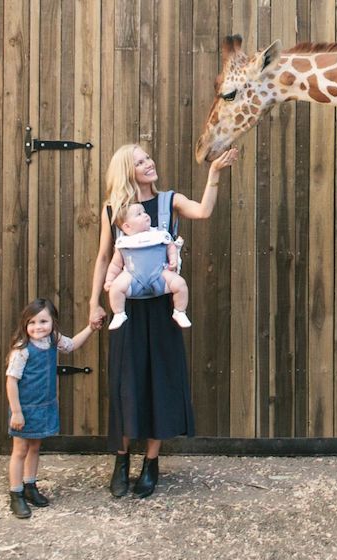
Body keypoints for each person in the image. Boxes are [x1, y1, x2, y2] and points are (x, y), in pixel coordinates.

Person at [89, 143, 238, 499]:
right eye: (139, 161)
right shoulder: (114, 209)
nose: (149, 163)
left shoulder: (170, 201)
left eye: (148, 157)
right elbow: (104, 257)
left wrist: (214, 172)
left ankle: (151, 462)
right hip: (126, 308)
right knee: (126, 382)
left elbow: (203, 211)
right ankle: (121, 460)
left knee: (160, 381)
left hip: (162, 308)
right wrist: (94, 303)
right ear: (127, 170)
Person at [6, 298, 96, 518]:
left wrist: (91, 328)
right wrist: (16, 412)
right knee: (20, 450)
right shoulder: (22, 350)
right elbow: (11, 382)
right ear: (25, 324)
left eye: (43, 321)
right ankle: (16, 493)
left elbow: (72, 344)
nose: (38, 327)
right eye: (32, 322)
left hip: (44, 405)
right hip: (25, 409)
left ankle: (30, 486)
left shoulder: (53, 340)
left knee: (35, 447)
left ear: (53, 322)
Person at [104, 202, 190, 330]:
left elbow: (170, 245)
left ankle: (180, 311)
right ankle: (119, 313)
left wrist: (173, 259)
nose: (145, 215)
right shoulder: (124, 242)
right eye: (139, 214)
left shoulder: (159, 234)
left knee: (180, 284)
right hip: (133, 278)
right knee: (115, 288)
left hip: (160, 276)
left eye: (144, 212)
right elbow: (115, 265)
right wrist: (109, 280)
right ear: (127, 226)